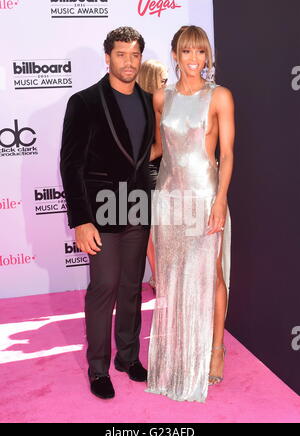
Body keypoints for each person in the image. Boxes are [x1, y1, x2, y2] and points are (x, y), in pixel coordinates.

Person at [60, 27, 155, 400]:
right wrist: (81, 220)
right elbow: (71, 165)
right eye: (120, 55)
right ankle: (98, 368)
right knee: (104, 288)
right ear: (107, 58)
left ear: (140, 58)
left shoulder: (148, 100)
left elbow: (143, 160)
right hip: (100, 213)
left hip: (137, 210)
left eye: (134, 55)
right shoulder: (84, 102)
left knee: (132, 289)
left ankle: (128, 358)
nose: (128, 62)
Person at [147, 25, 234, 402]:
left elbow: (227, 154)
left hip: (204, 197)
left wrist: (220, 200)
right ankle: (178, 352)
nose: (195, 60)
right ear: (176, 56)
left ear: (207, 57)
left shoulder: (219, 97)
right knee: (171, 278)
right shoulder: (160, 97)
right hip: (168, 200)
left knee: (212, 274)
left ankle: (215, 349)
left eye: (201, 53)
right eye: (187, 53)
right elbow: (155, 148)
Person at [137, 60, 168, 291]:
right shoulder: (157, 107)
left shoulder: (135, 106)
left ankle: (159, 277)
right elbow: (159, 147)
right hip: (153, 173)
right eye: (164, 80)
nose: (167, 84)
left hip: (144, 174)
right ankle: (160, 277)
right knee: (154, 230)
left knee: (149, 230)